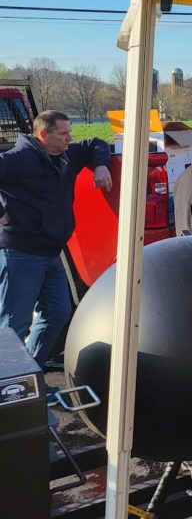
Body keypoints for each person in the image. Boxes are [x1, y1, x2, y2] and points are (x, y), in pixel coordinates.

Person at [0, 111, 112, 365]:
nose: (69, 138)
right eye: (63, 133)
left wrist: (101, 164)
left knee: (58, 312)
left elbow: (96, 143)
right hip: (21, 252)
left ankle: (31, 375)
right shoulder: (18, 159)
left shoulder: (66, 155)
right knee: (13, 325)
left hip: (52, 252)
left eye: (69, 132)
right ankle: (9, 391)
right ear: (43, 135)